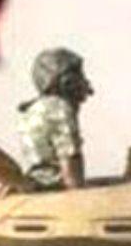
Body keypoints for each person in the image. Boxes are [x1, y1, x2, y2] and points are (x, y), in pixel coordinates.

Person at [17, 48, 93, 190]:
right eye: (79, 75)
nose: (85, 81)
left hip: (38, 182)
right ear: (67, 82)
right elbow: (70, 163)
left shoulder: (33, 109)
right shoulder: (59, 110)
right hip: (56, 185)